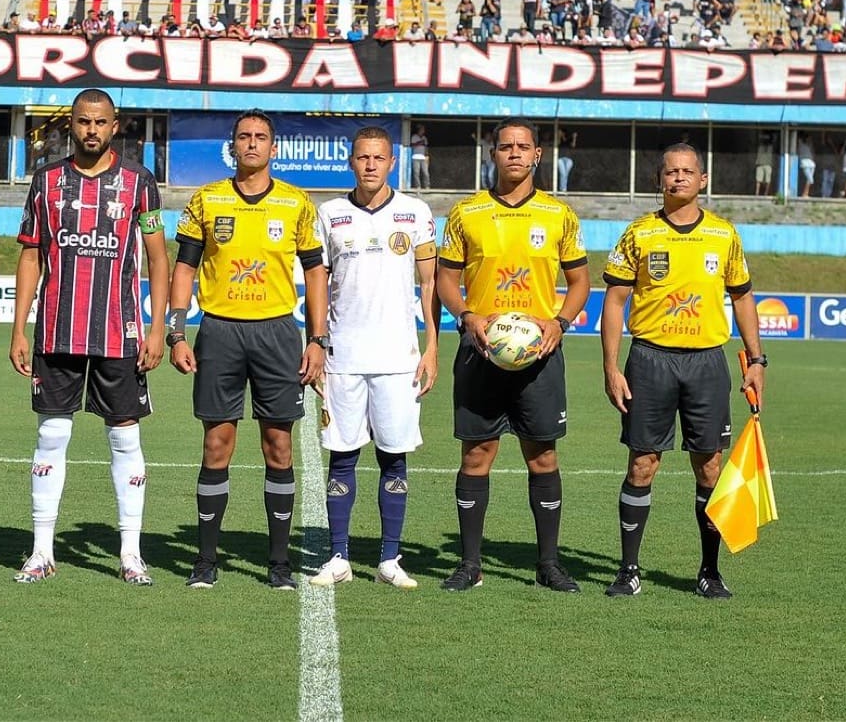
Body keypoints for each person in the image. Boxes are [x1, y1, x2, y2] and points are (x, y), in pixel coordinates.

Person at [9, 89, 169, 586]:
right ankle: (40, 552)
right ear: (70, 126)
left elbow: (159, 258)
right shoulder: (46, 181)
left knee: (125, 437)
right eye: (82, 122)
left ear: (114, 125)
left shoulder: (140, 183)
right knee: (51, 435)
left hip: (120, 334)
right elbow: (32, 254)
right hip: (57, 331)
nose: (91, 131)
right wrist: (19, 327)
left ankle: (130, 553)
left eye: (100, 122)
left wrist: (158, 325)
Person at [168, 108, 327, 590]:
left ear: (273, 148)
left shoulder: (297, 203)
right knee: (217, 443)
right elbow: (184, 268)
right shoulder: (207, 199)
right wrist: (177, 331)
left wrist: (317, 339)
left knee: (278, 445)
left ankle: (279, 562)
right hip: (219, 332)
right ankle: (206, 560)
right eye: (244, 137)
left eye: (261, 137)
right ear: (232, 146)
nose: (252, 144)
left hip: (278, 333)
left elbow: (317, 271)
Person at [601, 142, 766, 599]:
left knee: (710, 467)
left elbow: (743, 297)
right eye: (670, 172)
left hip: (707, 362)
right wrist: (612, 367)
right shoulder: (638, 233)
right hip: (650, 359)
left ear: (703, 179)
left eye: (687, 172)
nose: (678, 179)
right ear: (660, 180)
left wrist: (756, 361)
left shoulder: (724, 235)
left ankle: (709, 572)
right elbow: (614, 303)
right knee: (642, 463)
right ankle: (628, 569)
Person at [436, 116, 590, 593]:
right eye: (506, 147)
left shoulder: (559, 215)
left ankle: (549, 564)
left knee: (542, 455)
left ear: (538, 154)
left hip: (539, 354)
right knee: (476, 453)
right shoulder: (467, 213)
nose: (515, 154)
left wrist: (559, 322)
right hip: (481, 349)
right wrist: (466, 316)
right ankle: (470, 565)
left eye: (524, 146)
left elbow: (581, 281)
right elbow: (445, 279)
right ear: (493, 153)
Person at [308, 127, 440, 591]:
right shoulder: (330, 213)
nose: (370, 165)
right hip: (343, 355)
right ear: (351, 161)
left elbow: (429, 284)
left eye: (378, 158)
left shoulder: (415, 213)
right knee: (342, 456)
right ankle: (339, 556)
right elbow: (318, 282)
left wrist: (432, 346)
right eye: (362, 157)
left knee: (393, 457)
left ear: (391, 162)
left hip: (399, 358)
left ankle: (389, 558)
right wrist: (319, 343)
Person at [409, 123, 430, 189]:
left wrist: (427, 155)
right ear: (419, 130)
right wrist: (420, 142)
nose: (423, 131)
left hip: (423, 157)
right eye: (422, 130)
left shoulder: (424, 138)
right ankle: (418, 186)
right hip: (415, 157)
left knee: (425, 173)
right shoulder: (414, 137)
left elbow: (426, 147)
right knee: (416, 173)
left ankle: (427, 186)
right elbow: (412, 145)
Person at [557, 127, 577, 192]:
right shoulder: (559, 139)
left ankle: (564, 189)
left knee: (566, 174)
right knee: (562, 173)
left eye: (563, 133)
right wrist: (559, 136)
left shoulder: (569, 139)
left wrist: (574, 138)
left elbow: (573, 146)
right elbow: (557, 144)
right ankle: (562, 189)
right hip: (560, 158)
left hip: (569, 159)